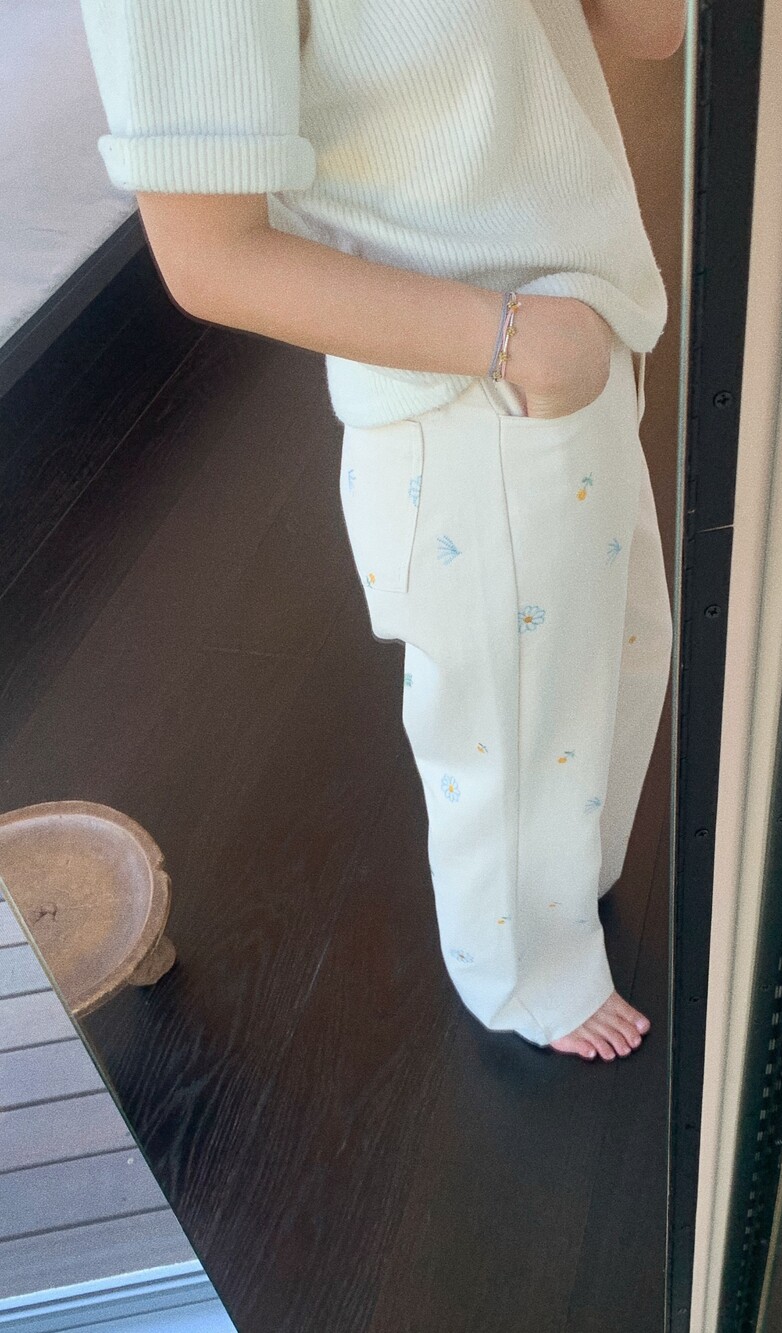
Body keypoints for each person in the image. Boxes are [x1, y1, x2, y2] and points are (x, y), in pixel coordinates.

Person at [80, 0, 684, 1062]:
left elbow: (651, 31)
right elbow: (208, 254)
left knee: (619, 658)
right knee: (507, 727)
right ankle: (523, 974)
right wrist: (516, 343)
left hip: (585, 322)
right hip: (472, 381)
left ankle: (569, 878)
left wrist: (560, 344)